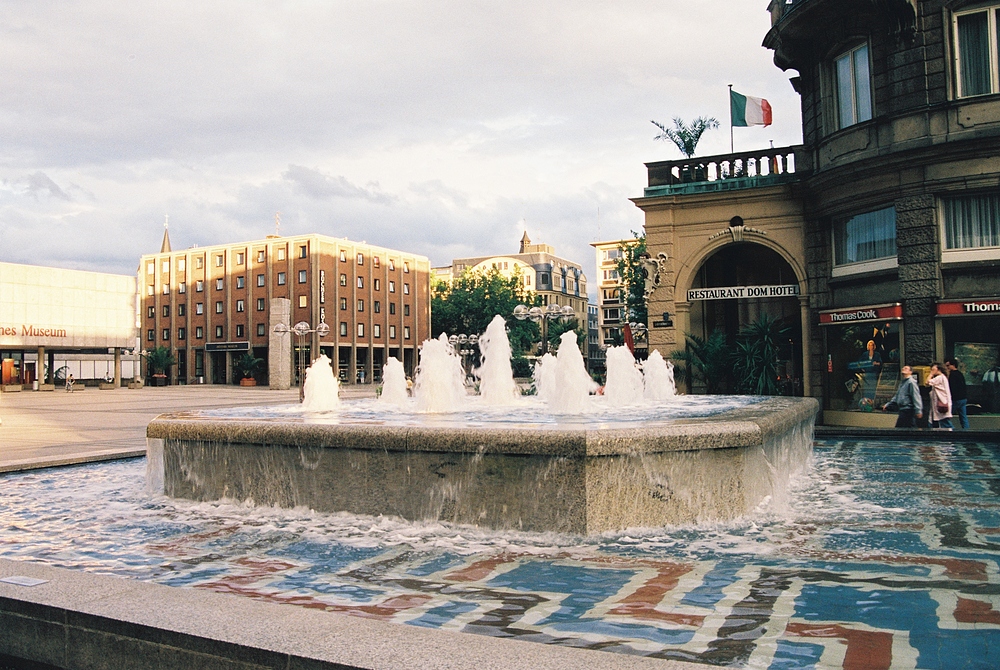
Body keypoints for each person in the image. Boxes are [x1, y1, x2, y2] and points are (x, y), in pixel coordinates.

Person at [927, 363, 953, 429]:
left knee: (945, 423)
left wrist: (931, 374)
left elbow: (927, 382)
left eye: (933, 369)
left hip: (941, 404)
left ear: (938, 369)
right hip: (940, 404)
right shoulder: (942, 377)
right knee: (941, 422)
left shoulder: (940, 377)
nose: (932, 370)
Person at [945, 358, 969, 430]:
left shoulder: (952, 375)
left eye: (948, 365)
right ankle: (966, 430)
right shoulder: (960, 374)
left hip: (955, 399)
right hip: (963, 398)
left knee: (946, 416)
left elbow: (952, 388)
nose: (947, 367)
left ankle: (952, 429)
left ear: (953, 365)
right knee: (963, 417)